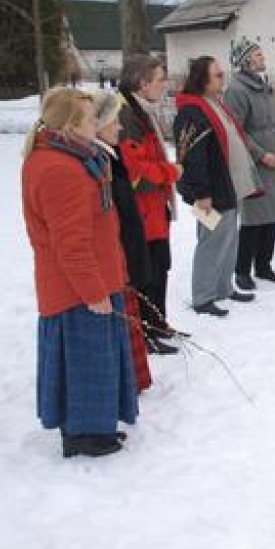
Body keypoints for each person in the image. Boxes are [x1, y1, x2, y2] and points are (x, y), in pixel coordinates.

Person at [21, 87, 138, 458]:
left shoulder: (69, 158)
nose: (97, 124)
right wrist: (92, 291)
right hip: (77, 288)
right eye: (90, 119)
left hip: (93, 278)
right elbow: (70, 243)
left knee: (96, 358)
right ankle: (85, 435)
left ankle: (94, 428)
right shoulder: (60, 169)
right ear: (71, 125)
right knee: (86, 360)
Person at [174, 56, 260, 316]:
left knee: (228, 239)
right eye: (218, 75)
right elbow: (193, 156)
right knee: (211, 241)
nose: (223, 78)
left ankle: (223, 288)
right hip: (210, 191)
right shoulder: (192, 111)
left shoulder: (214, 103)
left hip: (227, 185)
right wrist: (202, 193)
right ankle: (202, 297)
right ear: (202, 79)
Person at [116, 55, 183, 346]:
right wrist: (171, 171)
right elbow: (137, 172)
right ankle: (146, 333)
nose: (163, 85)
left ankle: (158, 324)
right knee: (146, 273)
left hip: (155, 209)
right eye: (159, 80)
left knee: (160, 267)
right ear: (142, 84)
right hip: (141, 212)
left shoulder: (142, 111)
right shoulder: (126, 116)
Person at [224, 38, 275, 288]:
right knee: (254, 218)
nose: (262, 57)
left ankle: (264, 266)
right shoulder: (237, 90)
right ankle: (242, 270)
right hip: (257, 163)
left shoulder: (263, 85)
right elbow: (235, 131)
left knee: (274, 213)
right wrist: (260, 155)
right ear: (245, 60)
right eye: (257, 54)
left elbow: (272, 122)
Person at [92, 90, 156, 391]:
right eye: (114, 121)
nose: (119, 127)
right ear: (99, 124)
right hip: (117, 258)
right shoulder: (98, 162)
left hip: (125, 255)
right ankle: (126, 381)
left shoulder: (108, 158)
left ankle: (132, 380)